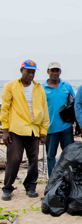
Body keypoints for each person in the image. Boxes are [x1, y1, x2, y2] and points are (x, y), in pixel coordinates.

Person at [1, 60, 49, 201]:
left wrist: (44, 130)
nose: (30, 74)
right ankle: (8, 187)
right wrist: (5, 130)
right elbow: (5, 108)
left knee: (34, 159)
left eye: (33, 72)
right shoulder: (10, 86)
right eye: (28, 71)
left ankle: (30, 186)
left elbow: (44, 110)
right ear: (21, 70)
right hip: (16, 129)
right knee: (14, 158)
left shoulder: (39, 88)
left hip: (34, 129)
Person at [42, 62, 75, 177]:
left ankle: (69, 178)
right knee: (51, 156)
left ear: (60, 72)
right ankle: (52, 180)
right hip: (50, 129)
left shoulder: (67, 86)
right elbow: (39, 108)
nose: (55, 73)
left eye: (57, 70)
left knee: (69, 155)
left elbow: (74, 104)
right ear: (48, 72)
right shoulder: (42, 88)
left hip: (66, 127)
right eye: (52, 70)